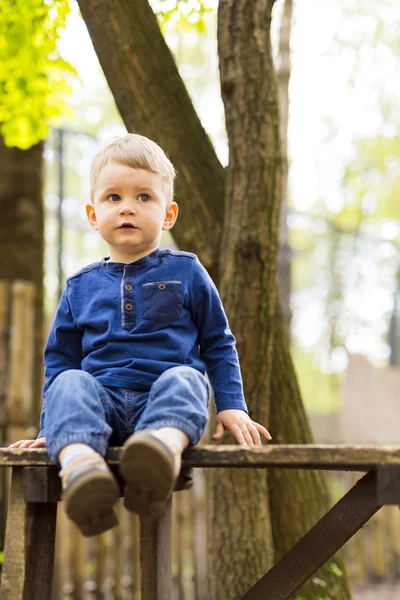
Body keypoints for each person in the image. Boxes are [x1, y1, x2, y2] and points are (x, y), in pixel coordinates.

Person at [10, 134, 272, 536]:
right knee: (69, 380)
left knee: (186, 378)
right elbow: (60, 360)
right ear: (93, 214)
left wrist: (232, 404)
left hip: (164, 405)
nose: (128, 207)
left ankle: (158, 453)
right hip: (102, 408)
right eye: (113, 197)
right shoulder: (79, 286)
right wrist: (52, 428)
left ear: (168, 214)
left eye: (144, 197)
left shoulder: (187, 272)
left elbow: (218, 342)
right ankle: (82, 467)